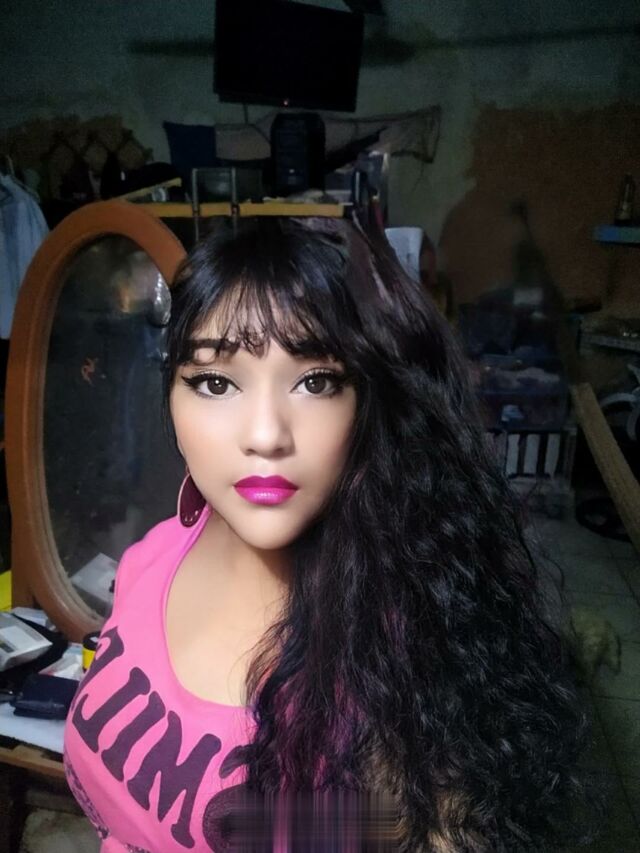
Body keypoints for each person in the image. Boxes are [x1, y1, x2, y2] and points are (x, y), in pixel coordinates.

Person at [64, 215, 601, 852]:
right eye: (215, 382)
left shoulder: (409, 671)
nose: (265, 435)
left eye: (315, 382)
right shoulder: (150, 556)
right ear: (172, 398)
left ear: (368, 401)